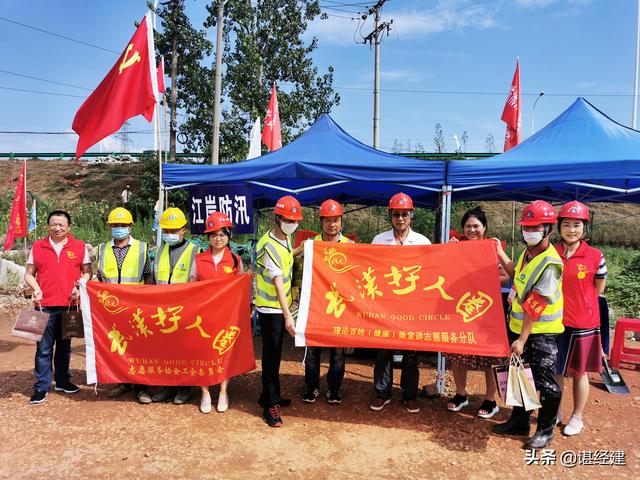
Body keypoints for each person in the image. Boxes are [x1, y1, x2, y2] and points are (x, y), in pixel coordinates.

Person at [492, 200, 564, 449]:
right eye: (526, 227)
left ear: (548, 230)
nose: (529, 231)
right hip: (519, 327)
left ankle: (545, 430)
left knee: (545, 382)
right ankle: (519, 420)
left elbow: (536, 304)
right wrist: (499, 252)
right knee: (520, 375)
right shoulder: (528, 252)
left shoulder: (551, 263)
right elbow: (515, 273)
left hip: (541, 333)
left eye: (535, 227)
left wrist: (522, 340)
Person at [446, 207, 510, 419]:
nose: (472, 230)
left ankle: (490, 400)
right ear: (463, 229)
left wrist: (486, 279)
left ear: (484, 228)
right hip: (461, 309)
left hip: (487, 310)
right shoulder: (457, 247)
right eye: (468, 226)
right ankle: (461, 394)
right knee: (458, 353)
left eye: (476, 226)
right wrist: (450, 253)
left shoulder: (493, 247)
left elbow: (508, 277)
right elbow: (445, 273)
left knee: (489, 356)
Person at [370, 193, 431, 414]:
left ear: (411, 216)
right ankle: (382, 393)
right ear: (390, 216)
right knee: (383, 351)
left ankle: (409, 395)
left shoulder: (423, 242)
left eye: (405, 214)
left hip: (412, 307)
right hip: (386, 305)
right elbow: (371, 270)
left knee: (410, 353)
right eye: (396, 214)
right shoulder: (378, 240)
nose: (401, 218)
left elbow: (430, 272)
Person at [23, 210, 92, 404]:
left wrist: (80, 285)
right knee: (43, 349)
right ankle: (41, 387)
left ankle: (62, 381)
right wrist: (36, 288)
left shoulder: (79, 247)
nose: (57, 227)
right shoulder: (38, 246)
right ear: (48, 226)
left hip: (70, 305)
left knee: (65, 347)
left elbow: (88, 272)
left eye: (61, 224)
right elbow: (29, 274)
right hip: (43, 305)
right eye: (53, 224)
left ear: (69, 226)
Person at [554, 201, 607, 436]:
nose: (571, 230)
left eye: (577, 225)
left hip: (583, 323)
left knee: (579, 371)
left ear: (585, 227)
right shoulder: (550, 252)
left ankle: (577, 416)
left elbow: (598, 289)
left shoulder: (596, 256)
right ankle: (554, 410)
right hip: (553, 320)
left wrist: (582, 306)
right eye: (566, 224)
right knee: (554, 369)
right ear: (559, 227)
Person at [255, 195, 302, 427]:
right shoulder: (268, 244)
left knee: (275, 354)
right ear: (277, 218)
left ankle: (268, 395)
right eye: (286, 219)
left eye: (294, 220)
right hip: (271, 308)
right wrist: (287, 317)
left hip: (278, 307)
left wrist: (298, 251)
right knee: (271, 357)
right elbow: (276, 282)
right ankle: (270, 405)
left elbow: (285, 261)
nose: (291, 223)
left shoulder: (285, 237)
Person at [98, 207, 153, 404]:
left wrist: (146, 301)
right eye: (115, 225)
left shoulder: (142, 248)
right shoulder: (102, 249)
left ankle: (141, 387)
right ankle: (122, 382)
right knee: (118, 345)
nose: (119, 228)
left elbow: (148, 275)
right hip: (112, 308)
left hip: (135, 307)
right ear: (109, 227)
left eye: (123, 225)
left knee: (138, 347)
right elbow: (100, 278)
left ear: (130, 226)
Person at [191, 211, 243, 414]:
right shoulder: (199, 259)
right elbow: (191, 286)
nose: (218, 238)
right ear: (208, 237)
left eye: (222, 234)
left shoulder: (235, 260)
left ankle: (223, 391)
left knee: (224, 352)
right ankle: (205, 393)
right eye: (213, 234)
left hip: (226, 316)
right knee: (203, 353)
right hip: (203, 316)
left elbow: (241, 289)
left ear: (229, 236)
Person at [301, 199, 352, 405]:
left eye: (336, 220)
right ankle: (311, 387)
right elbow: (300, 272)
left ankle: (334, 388)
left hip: (340, 305)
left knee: (338, 351)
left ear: (341, 222)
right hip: (316, 305)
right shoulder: (312, 245)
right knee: (313, 349)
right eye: (328, 220)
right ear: (321, 222)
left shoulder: (351, 246)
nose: (332, 224)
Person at [150, 207, 200, 405]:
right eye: (166, 230)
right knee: (163, 352)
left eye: (174, 230)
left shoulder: (194, 251)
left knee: (183, 352)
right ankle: (165, 387)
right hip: (162, 310)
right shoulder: (159, 250)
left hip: (183, 311)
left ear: (183, 230)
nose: (169, 234)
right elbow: (154, 280)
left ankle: (184, 388)